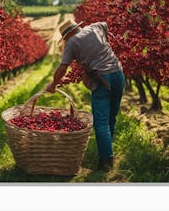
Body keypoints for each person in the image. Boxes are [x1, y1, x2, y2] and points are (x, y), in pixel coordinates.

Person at [45, 19, 125, 172]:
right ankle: (108, 152)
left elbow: (62, 68)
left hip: (102, 79)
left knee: (101, 122)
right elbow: (108, 26)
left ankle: (105, 162)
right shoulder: (96, 27)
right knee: (111, 117)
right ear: (78, 27)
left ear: (67, 35)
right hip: (118, 74)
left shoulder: (71, 43)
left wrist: (53, 84)